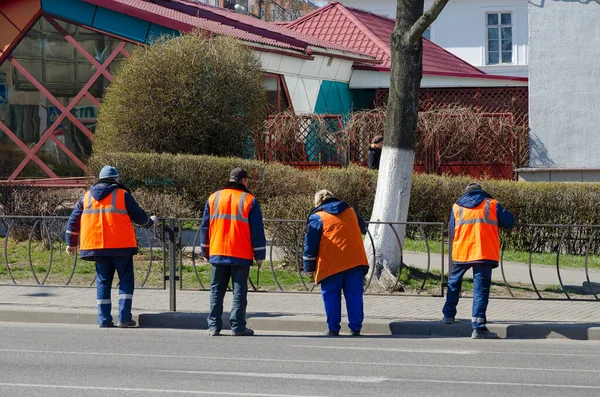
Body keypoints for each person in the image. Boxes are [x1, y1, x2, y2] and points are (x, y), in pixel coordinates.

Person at [66, 166, 156, 328]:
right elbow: (139, 216)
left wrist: (71, 243)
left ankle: (104, 320)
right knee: (126, 281)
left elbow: (73, 221)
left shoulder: (86, 197)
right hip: (121, 246)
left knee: (103, 282)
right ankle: (124, 318)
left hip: (97, 246)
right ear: (116, 180)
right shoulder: (123, 195)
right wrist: (151, 223)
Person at [442, 182, 515, 339]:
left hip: (462, 251)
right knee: (480, 289)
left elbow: (451, 229)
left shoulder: (457, 207)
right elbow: (509, 222)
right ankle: (478, 327)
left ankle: (448, 315)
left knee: (454, 283)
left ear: (466, 193)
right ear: (481, 192)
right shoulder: (491, 204)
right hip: (483, 252)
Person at [200, 167, 266, 336]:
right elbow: (257, 230)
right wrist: (260, 255)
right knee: (239, 291)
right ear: (243, 181)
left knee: (216, 290)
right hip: (241, 253)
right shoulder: (249, 200)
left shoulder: (214, 198)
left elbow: (205, 227)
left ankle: (214, 326)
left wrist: (205, 250)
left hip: (218, 251)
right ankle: (238, 326)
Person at [303, 190, 369, 336]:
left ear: (317, 203)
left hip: (331, 263)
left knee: (331, 295)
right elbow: (363, 227)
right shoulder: (350, 211)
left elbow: (310, 244)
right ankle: (356, 328)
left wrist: (308, 266)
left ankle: (333, 328)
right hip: (355, 261)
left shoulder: (318, 217)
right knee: (354, 295)